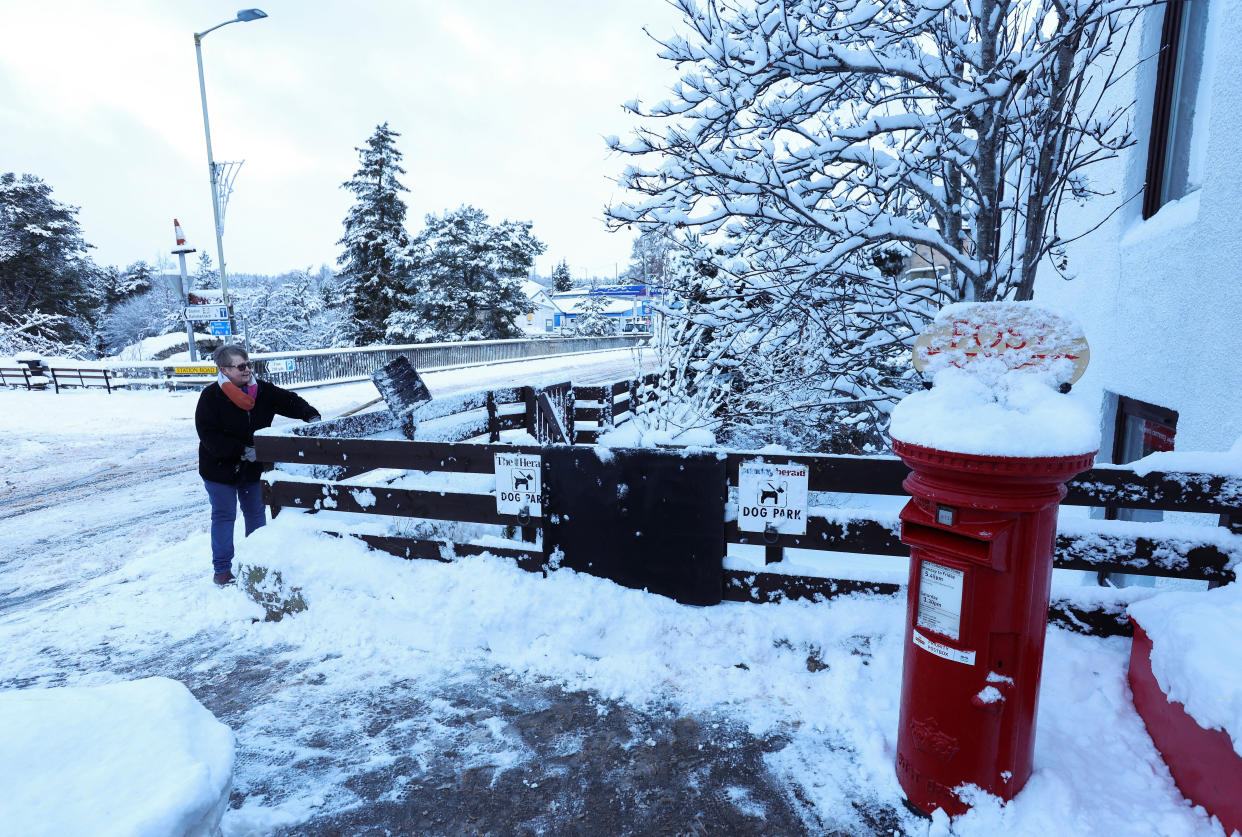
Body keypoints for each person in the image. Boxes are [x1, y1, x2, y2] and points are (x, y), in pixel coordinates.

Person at [195, 344, 321, 585]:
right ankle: (222, 570)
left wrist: (310, 415)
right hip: (219, 470)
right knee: (224, 517)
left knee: (255, 514)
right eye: (241, 366)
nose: (247, 370)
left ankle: (256, 563)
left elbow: (289, 401)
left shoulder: (261, 390)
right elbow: (209, 435)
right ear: (224, 370)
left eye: (248, 364)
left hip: (252, 469)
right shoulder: (211, 397)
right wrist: (242, 451)